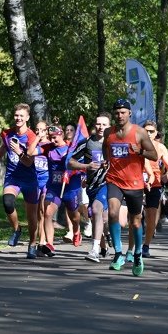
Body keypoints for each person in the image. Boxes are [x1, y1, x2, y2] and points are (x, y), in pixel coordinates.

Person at [103, 99, 158, 276]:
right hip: (114, 179)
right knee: (112, 213)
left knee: (135, 221)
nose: (119, 115)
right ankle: (118, 254)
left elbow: (154, 155)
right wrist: (106, 161)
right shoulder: (108, 132)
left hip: (134, 183)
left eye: (123, 112)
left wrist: (140, 151)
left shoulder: (139, 132)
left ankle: (137, 254)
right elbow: (105, 147)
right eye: (117, 112)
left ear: (129, 113)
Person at [0, 103, 40, 259]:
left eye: (21, 116)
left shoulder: (31, 137)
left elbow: (29, 162)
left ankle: (32, 244)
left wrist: (19, 152)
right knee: (7, 202)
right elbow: (4, 147)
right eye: (16, 115)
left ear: (27, 117)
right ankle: (17, 229)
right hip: (13, 177)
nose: (18, 118)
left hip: (29, 179)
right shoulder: (7, 133)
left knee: (32, 216)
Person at [69, 112, 111, 263]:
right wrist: (86, 166)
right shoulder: (87, 142)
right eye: (98, 124)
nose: (101, 127)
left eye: (104, 124)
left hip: (108, 184)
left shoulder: (114, 142)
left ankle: (94, 250)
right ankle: (104, 245)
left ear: (109, 126)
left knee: (97, 210)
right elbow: (70, 162)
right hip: (92, 185)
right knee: (97, 217)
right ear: (94, 125)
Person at [39, 125, 82, 256]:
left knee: (74, 216)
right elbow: (31, 152)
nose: (52, 140)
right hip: (55, 186)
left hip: (70, 187)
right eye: (50, 137)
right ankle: (50, 244)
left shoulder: (71, 147)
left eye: (55, 137)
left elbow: (80, 165)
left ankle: (76, 230)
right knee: (47, 213)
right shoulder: (48, 148)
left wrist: (71, 172)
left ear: (61, 134)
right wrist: (37, 137)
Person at [142, 120, 168, 258]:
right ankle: (134, 243)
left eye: (151, 131)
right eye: (146, 131)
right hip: (137, 182)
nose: (148, 133)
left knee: (151, 216)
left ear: (156, 133)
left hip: (155, 184)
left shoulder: (161, 147)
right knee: (133, 217)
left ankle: (146, 246)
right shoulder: (137, 145)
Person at [33, 121, 50, 253]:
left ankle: (42, 241)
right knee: (37, 213)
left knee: (43, 210)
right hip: (34, 180)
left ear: (47, 131)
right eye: (37, 130)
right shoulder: (33, 144)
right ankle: (38, 240)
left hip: (46, 180)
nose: (39, 132)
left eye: (42, 130)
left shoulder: (50, 145)